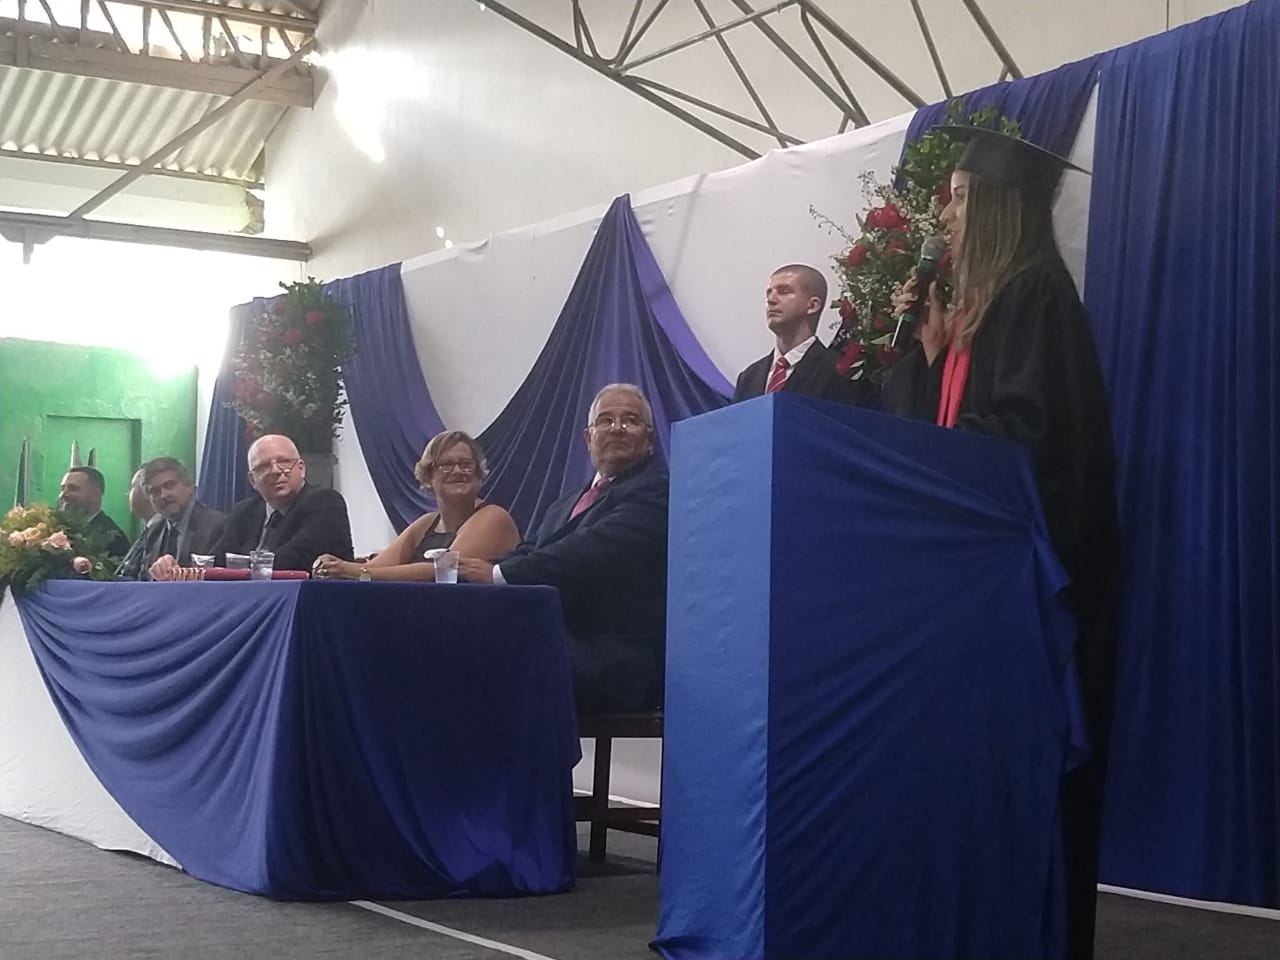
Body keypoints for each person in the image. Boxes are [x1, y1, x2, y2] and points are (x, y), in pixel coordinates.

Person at [883, 126, 1121, 960]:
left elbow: (1023, 443)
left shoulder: (1037, 297)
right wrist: (928, 357)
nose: (945, 216)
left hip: (1030, 594)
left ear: (995, 206)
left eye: (957, 198)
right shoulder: (983, 316)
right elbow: (938, 446)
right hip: (978, 590)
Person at [457, 384, 668, 716]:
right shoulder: (566, 501)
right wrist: (473, 573)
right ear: (588, 438)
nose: (617, 428)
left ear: (649, 438)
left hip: (613, 658)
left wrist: (498, 574)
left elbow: (588, 551)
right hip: (555, 641)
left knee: (489, 663)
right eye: (605, 420)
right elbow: (530, 549)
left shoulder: (657, 490)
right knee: (455, 647)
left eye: (630, 420)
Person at [313, 431, 519, 581]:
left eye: (466, 464)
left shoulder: (494, 517)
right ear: (428, 476)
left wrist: (352, 571)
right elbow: (376, 568)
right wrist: (336, 567)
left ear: (478, 473)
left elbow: (443, 570)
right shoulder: (427, 523)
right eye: (446, 466)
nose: (458, 471)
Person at [733, 263, 875, 406]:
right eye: (769, 293)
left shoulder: (841, 374)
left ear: (812, 305)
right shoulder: (748, 377)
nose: (771, 300)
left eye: (784, 291)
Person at [213, 434, 354, 572]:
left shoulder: (325, 502)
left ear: (301, 468)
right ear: (252, 480)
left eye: (284, 461)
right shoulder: (243, 512)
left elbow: (295, 560)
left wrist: (239, 568)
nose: (275, 471)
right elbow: (215, 563)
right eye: (264, 466)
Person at [118, 457, 226, 581]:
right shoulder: (154, 529)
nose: (163, 495)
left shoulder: (217, 526)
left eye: (169, 485)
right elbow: (144, 580)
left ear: (189, 486)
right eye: (154, 491)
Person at [58, 466, 130, 559]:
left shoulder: (113, 538)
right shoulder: (58, 528)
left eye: (73, 488)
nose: (63, 495)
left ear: (96, 495)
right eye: (63, 488)